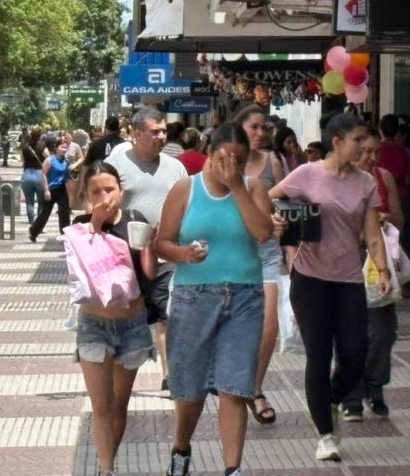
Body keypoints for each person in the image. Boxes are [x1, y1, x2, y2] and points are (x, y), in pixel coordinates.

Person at [269, 113, 392, 462]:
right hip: (309, 279)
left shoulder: (365, 182)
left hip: (349, 279)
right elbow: (268, 198)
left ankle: (332, 400)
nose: (362, 148)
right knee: (318, 356)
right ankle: (325, 433)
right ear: (337, 141)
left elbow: (371, 232)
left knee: (355, 354)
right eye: (357, 140)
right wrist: (277, 219)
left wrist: (381, 269)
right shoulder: (307, 173)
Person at [157, 121, 273, 476]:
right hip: (195, 296)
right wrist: (183, 254)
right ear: (209, 153)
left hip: (244, 296)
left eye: (239, 160)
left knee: (233, 387)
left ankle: (232, 468)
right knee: (189, 388)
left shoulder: (253, 187)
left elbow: (263, 232)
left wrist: (238, 186)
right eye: (225, 158)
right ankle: (181, 448)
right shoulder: (185, 189)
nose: (230, 167)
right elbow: (162, 242)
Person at [70, 162, 157, 476]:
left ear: (121, 190)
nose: (104, 196)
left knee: (119, 405)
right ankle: (106, 470)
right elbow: (79, 269)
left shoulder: (136, 220)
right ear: (86, 196)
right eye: (96, 191)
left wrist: (150, 246)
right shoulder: (80, 227)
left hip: (132, 323)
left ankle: (107, 461)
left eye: (109, 189)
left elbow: (149, 274)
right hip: (95, 324)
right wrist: (95, 223)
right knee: (101, 406)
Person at [105, 108, 188, 393]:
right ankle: (119, 368)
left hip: (165, 253)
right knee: (129, 318)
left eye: (164, 130)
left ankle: (170, 374)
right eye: (155, 131)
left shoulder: (175, 167)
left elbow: (186, 207)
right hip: (124, 259)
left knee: (167, 315)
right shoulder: (114, 165)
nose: (161, 136)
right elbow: (98, 206)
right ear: (136, 134)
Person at [341, 127, 404, 422]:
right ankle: (351, 396)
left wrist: (385, 218)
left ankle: (375, 386)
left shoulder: (384, 178)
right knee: (350, 335)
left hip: (378, 267)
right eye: (365, 151)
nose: (371, 157)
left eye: (376, 152)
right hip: (345, 267)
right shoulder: (339, 181)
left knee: (383, 333)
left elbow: (400, 218)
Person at [234, 104, 285, 426]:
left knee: (269, 326)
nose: (260, 133)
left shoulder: (273, 161)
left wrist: (279, 220)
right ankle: (233, 383)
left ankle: (255, 388)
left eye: (264, 127)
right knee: (235, 327)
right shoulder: (225, 164)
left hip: (266, 253)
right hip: (231, 253)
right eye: (253, 127)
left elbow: (284, 203)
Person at [376, 115, 410, 297]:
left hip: (383, 200)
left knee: (387, 240)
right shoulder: (404, 152)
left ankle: (390, 276)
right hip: (405, 198)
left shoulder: (378, 152)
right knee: (404, 239)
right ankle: (406, 281)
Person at [29, 139, 71, 242]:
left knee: (64, 213)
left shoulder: (66, 161)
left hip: (61, 189)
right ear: (56, 148)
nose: (64, 149)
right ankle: (34, 231)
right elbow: (43, 175)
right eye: (62, 147)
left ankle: (65, 234)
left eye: (66, 147)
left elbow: (67, 177)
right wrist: (46, 190)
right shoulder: (50, 160)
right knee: (45, 213)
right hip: (51, 189)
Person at [20, 128, 47, 225]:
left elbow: (22, 160)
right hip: (39, 174)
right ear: (40, 135)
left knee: (29, 201)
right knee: (41, 201)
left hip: (27, 175)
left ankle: (31, 222)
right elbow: (48, 159)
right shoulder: (42, 146)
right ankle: (38, 223)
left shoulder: (25, 147)